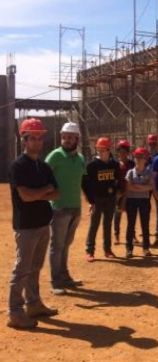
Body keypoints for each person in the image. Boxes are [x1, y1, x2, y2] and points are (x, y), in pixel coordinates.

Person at [7, 119, 60, 329]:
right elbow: (25, 196)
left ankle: (34, 303)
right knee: (22, 269)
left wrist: (41, 193)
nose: (37, 141)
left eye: (40, 137)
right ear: (24, 140)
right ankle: (15, 312)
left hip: (42, 223)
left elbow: (57, 192)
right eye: (33, 138)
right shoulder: (18, 166)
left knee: (35, 267)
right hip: (26, 225)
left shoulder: (44, 166)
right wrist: (43, 192)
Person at [46, 121, 86, 295]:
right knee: (57, 245)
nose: (66, 140)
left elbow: (84, 182)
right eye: (64, 137)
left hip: (75, 207)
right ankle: (56, 281)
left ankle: (64, 276)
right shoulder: (55, 156)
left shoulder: (80, 158)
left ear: (77, 138)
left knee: (66, 244)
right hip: (59, 208)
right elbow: (43, 176)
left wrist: (91, 200)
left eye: (70, 137)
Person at [83, 137, 120, 261]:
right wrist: (90, 201)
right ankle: (90, 251)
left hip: (110, 199)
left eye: (104, 149)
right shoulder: (92, 165)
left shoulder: (114, 164)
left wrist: (116, 194)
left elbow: (118, 180)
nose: (101, 152)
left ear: (109, 150)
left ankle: (107, 249)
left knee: (107, 224)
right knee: (94, 225)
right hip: (97, 199)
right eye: (99, 149)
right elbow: (85, 184)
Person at [124, 147, 154, 258]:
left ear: (145, 159)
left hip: (144, 201)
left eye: (141, 157)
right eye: (136, 157)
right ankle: (129, 249)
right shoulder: (130, 172)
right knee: (130, 225)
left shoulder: (149, 172)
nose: (138, 159)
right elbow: (128, 187)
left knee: (145, 225)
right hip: (131, 200)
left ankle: (146, 248)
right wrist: (143, 187)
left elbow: (151, 186)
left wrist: (137, 187)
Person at [113, 139, 135, 245]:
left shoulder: (132, 164)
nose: (122, 153)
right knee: (117, 215)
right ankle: (116, 235)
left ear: (128, 152)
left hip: (130, 192)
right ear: (117, 152)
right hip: (119, 192)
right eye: (120, 151)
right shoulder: (115, 164)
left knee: (131, 215)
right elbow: (113, 179)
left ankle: (133, 235)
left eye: (125, 151)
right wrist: (117, 193)